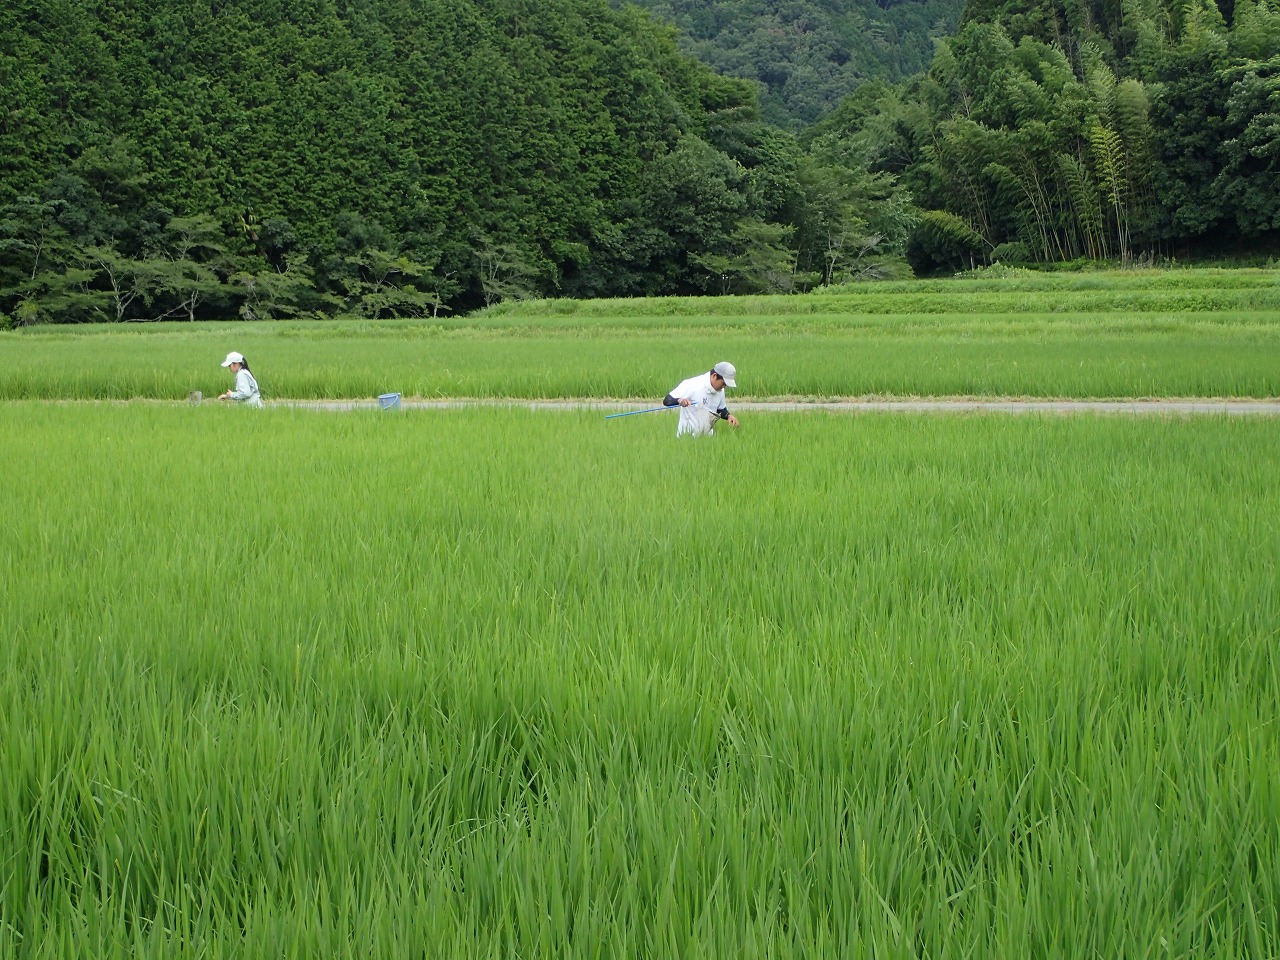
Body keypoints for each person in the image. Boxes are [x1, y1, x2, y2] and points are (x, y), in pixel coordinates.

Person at [662, 361, 740, 437]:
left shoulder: (720, 390)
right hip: (686, 437)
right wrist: (679, 400)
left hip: (707, 438)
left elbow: (720, 410)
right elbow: (667, 400)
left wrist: (728, 416)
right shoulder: (692, 384)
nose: (724, 387)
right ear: (714, 376)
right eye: (723, 383)